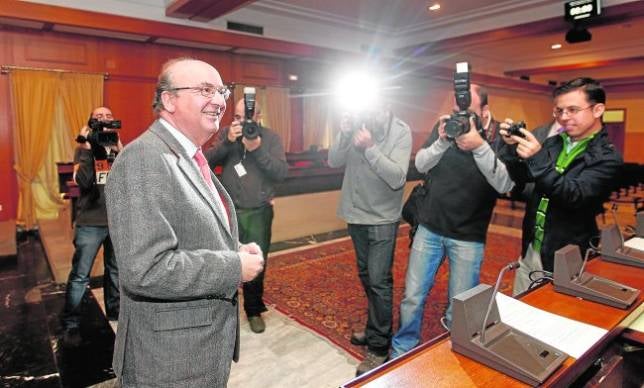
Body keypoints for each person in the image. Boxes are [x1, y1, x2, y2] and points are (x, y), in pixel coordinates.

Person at [105, 58, 264, 387]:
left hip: (195, 352)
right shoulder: (143, 159)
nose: (220, 100)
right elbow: (145, 270)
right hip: (168, 363)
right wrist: (233, 266)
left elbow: (189, 232)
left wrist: (233, 249)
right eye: (205, 90)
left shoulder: (189, 154)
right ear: (169, 99)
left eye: (221, 91)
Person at [390, 84, 514, 359]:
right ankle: (401, 349)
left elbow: (504, 183)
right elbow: (421, 165)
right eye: (457, 110)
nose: (460, 116)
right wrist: (442, 141)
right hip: (430, 227)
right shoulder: (445, 128)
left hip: (468, 236)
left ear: (484, 112)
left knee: (460, 305)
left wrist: (480, 147)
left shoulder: (497, 138)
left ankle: (454, 353)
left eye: (467, 111)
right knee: (413, 297)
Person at [499, 77, 623, 295]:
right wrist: (512, 149)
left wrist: (537, 158)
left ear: (598, 109)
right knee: (518, 317)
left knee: (553, 319)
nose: (564, 118)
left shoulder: (608, 156)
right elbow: (522, 178)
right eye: (559, 111)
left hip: (567, 255)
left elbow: (574, 195)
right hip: (531, 248)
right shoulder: (555, 142)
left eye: (573, 110)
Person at [328, 107, 412, 375]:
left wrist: (371, 147)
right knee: (366, 276)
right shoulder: (355, 123)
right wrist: (343, 133)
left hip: (382, 219)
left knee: (379, 281)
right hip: (356, 214)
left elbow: (398, 177)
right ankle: (376, 327)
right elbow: (333, 161)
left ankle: (378, 346)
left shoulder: (400, 131)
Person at [205, 98, 288, 333]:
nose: (242, 122)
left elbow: (281, 172)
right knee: (224, 261)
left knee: (255, 262)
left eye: (247, 118)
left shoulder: (270, 138)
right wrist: (228, 142)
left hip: (258, 212)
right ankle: (222, 312)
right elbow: (205, 162)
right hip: (227, 211)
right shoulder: (226, 134)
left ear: (258, 117)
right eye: (238, 117)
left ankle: (253, 309)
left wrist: (257, 149)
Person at [62, 106, 122, 347]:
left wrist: (120, 149)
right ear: (91, 122)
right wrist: (88, 150)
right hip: (90, 223)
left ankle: (115, 312)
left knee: (115, 271)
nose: (105, 119)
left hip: (116, 221)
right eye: (99, 117)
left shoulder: (116, 147)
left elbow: (127, 179)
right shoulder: (83, 149)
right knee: (79, 276)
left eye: (109, 115)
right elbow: (85, 182)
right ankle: (71, 324)